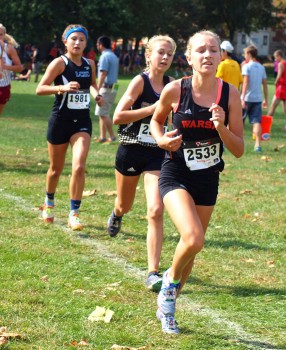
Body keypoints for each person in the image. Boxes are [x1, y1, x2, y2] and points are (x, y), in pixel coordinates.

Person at [150, 30, 244, 334]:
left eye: (213, 50)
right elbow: (155, 120)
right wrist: (163, 140)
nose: (207, 55)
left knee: (191, 249)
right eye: (200, 50)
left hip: (208, 179)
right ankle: (168, 287)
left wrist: (221, 127)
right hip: (175, 173)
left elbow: (239, 149)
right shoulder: (176, 90)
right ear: (189, 57)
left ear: (221, 57)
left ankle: (168, 306)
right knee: (193, 238)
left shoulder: (230, 95)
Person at [107, 35, 176, 292]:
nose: (165, 57)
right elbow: (117, 117)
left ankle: (152, 272)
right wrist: (152, 109)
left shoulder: (172, 85)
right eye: (161, 52)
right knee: (125, 204)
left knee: (156, 209)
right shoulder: (140, 81)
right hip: (131, 150)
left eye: (169, 53)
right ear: (149, 55)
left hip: (156, 153)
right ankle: (117, 213)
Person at [36, 24, 103, 230]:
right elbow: (40, 89)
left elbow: (91, 84)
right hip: (60, 121)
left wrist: (96, 95)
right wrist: (62, 87)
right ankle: (49, 202)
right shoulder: (59, 63)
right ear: (65, 41)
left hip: (82, 122)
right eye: (73, 39)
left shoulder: (90, 63)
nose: (77, 43)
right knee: (55, 170)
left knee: (79, 166)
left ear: (86, 43)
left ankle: (74, 213)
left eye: (81, 40)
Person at [241, 45, 268, 152]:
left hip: (247, 98)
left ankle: (239, 143)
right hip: (257, 99)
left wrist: (242, 97)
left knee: (240, 121)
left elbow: (246, 82)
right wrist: (266, 99)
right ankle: (257, 145)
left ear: (249, 54)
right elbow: (265, 84)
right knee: (257, 121)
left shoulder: (247, 66)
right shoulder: (261, 67)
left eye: (245, 54)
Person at [95, 36, 119, 143]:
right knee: (102, 112)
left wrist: (97, 88)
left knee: (103, 113)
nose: (97, 46)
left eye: (97, 44)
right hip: (114, 87)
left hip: (106, 87)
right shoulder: (114, 56)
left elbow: (103, 73)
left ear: (101, 45)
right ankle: (102, 136)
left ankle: (112, 137)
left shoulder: (104, 56)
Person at [0, 23, 24, 115]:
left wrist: (5, 67)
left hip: (3, 87)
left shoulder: (9, 49)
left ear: (4, 35)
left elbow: (20, 68)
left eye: (1, 35)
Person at [267, 50, 286, 131]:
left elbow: (279, 75)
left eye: (275, 57)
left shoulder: (281, 64)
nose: (275, 59)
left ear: (279, 56)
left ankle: (266, 124)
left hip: (281, 87)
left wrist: (275, 82)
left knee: (273, 106)